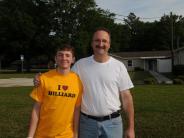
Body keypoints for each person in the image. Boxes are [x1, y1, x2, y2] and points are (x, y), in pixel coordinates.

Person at [34, 27, 135, 138]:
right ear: (92, 43)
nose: (100, 44)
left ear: (109, 44)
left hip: (113, 123)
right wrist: (41, 78)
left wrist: (131, 128)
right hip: (87, 123)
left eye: (104, 41)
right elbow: (62, 76)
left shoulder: (119, 66)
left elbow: (126, 97)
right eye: (97, 40)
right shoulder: (80, 65)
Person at [27, 44, 83, 138]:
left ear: (73, 59)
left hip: (67, 135)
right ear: (55, 58)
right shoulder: (44, 78)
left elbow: (76, 110)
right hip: (43, 134)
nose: (64, 58)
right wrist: (30, 136)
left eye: (67, 55)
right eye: (60, 55)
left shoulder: (78, 81)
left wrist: (76, 134)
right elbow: (36, 109)